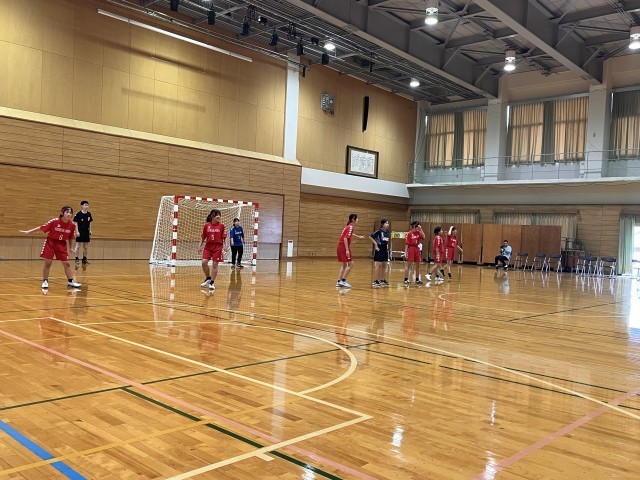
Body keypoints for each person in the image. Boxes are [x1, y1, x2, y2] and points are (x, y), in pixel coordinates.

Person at [20, 206, 82, 290]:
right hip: (51, 242)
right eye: (67, 212)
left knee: (67, 263)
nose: (69, 214)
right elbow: (41, 227)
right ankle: (45, 281)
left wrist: (71, 247)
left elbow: (70, 237)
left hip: (62, 244)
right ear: (62, 213)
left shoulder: (72, 225)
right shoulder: (54, 221)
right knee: (48, 263)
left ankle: (70, 281)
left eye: (70, 213)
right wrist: (28, 232)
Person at [198, 209, 227, 291]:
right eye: (216, 215)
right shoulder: (206, 225)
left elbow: (224, 237)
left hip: (218, 247)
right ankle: (208, 278)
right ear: (212, 216)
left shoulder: (222, 226)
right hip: (208, 247)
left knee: (215, 264)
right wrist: (199, 246)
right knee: (204, 262)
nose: (218, 216)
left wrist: (225, 246)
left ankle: (212, 282)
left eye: (219, 215)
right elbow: (203, 237)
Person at [336, 213, 359, 288]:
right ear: (353, 219)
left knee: (344, 265)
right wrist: (347, 250)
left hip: (340, 247)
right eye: (357, 218)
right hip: (343, 247)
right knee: (351, 264)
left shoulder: (348, 226)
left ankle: (339, 281)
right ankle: (343, 281)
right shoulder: (350, 227)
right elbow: (345, 238)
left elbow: (348, 234)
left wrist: (358, 236)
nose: (358, 220)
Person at [369, 219, 390, 287]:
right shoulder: (379, 231)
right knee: (378, 265)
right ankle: (375, 281)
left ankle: (382, 279)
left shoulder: (387, 231)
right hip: (379, 248)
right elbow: (370, 237)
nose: (387, 224)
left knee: (384, 265)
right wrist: (376, 244)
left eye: (388, 223)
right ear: (382, 224)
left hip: (385, 249)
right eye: (386, 223)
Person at [404, 221, 425, 285]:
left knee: (418, 264)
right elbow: (407, 243)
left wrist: (421, 230)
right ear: (414, 226)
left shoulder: (419, 232)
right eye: (418, 225)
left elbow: (424, 237)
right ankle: (406, 279)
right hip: (411, 248)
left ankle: (417, 279)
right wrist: (405, 252)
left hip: (417, 248)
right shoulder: (409, 233)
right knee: (409, 264)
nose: (419, 226)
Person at [73, 200, 93, 265]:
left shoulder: (89, 214)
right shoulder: (78, 214)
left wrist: (90, 230)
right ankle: (76, 259)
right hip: (80, 232)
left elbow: (90, 223)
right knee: (78, 246)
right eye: (85, 205)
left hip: (86, 232)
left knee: (86, 247)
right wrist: (76, 231)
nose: (87, 206)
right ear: (82, 206)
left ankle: (84, 259)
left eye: (87, 205)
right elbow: (75, 223)